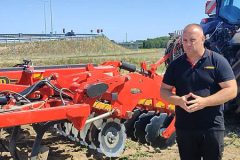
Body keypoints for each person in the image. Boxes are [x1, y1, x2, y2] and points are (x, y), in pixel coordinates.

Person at [160, 24, 237, 160]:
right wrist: (178, 100)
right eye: (185, 40)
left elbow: (231, 90)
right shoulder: (175, 65)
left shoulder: (217, 61)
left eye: (192, 40)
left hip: (212, 128)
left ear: (202, 39)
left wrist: (205, 102)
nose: (188, 44)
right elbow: (164, 91)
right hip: (185, 128)